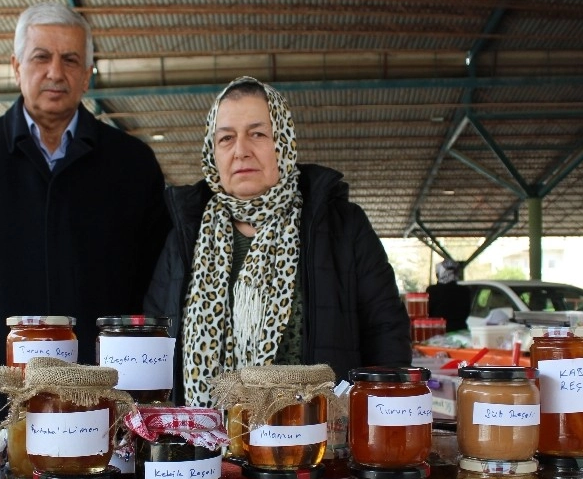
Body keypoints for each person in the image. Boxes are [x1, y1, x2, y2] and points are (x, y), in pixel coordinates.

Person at [0, 2, 169, 423]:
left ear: (87, 74)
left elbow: (157, 287)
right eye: (41, 57)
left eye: (70, 60)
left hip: (101, 399)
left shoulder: (132, 164)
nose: (55, 72)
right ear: (16, 66)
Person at [144, 76, 411, 407]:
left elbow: (386, 333)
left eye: (257, 134)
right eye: (226, 138)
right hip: (209, 447)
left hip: (319, 444)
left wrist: (372, 417)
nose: (241, 150)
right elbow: (154, 340)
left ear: (283, 142)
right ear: (212, 152)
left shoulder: (343, 226)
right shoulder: (185, 235)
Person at [426, 259, 473, 333]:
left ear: (438, 274)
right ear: (456, 274)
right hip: (460, 331)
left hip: (437, 331)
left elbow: (427, 312)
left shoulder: (432, 290)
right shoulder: (465, 290)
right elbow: (466, 312)